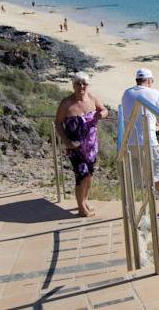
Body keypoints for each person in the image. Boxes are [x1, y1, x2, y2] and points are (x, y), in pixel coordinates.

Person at [121, 68, 159, 215]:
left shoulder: (127, 93)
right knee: (156, 177)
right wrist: (157, 123)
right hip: (148, 141)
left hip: (130, 141)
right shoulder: (154, 93)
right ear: (149, 80)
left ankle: (135, 209)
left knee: (137, 179)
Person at [54, 72, 108, 217]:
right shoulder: (66, 103)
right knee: (81, 175)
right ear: (73, 85)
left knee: (90, 175)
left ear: (88, 85)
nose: (81, 86)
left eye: (84, 83)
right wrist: (66, 142)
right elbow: (58, 123)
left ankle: (85, 200)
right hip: (75, 148)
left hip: (91, 147)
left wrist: (101, 114)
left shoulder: (92, 99)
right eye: (78, 83)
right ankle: (81, 207)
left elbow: (104, 110)